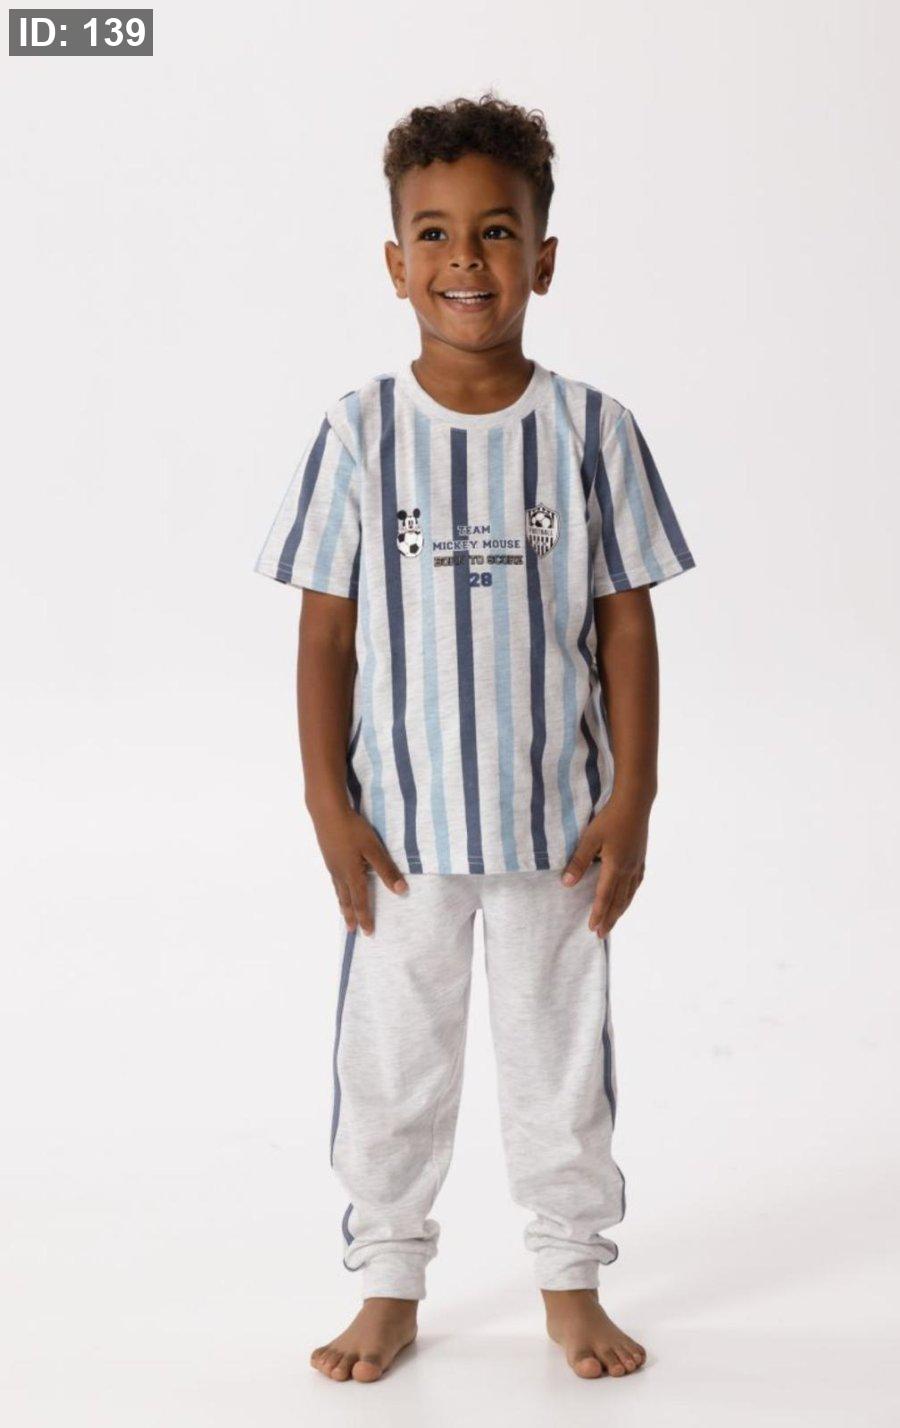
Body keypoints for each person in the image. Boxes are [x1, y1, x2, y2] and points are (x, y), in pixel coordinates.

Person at [253, 92, 695, 1384]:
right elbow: (325, 638)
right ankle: (389, 1279)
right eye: (435, 233)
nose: (466, 259)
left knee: (560, 1067)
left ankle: (571, 1277)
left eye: (496, 231)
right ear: (395, 262)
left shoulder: (593, 430)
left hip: (560, 828)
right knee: (394, 1066)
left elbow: (626, 627)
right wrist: (327, 807)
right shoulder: (358, 433)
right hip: (401, 835)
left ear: (542, 258)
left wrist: (634, 798)